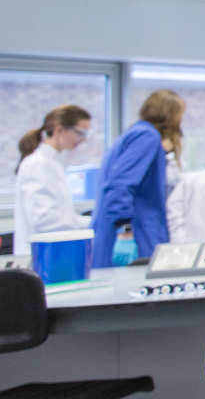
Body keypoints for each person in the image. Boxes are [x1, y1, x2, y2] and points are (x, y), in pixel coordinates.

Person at [89, 90, 184, 267]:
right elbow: (120, 185)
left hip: (128, 231)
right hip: (135, 234)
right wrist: (125, 231)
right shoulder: (147, 137)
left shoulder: (135, 133)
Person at [13, 105, 91, 260]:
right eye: (79, 133)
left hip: (52, 253)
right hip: (39, 256)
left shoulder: (53, 163)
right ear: (59, 130)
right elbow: (45, 220)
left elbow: (61, 215)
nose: (83, 139)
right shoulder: (38, 164)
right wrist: (91, 225)